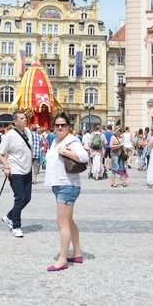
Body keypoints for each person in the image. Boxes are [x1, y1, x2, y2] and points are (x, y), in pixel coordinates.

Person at [44, 112, 88, 271]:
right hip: (59, 185)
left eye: (63, 125)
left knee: (61, 222)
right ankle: (77, 253)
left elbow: (84, 157)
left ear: (69, 127)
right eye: (57, 125)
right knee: (68, 221)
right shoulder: (55, 141)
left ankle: (63, 259)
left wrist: (65, 152)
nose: (60, 127)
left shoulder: (72, 141)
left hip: (67, 185)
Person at [0, 110, 33, 238]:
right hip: (15, 170)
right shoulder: (9, 135)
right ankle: (16, 226)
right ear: (15, 121)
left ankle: (9, 216)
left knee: (27, 198)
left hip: (27, 169)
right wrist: (6, 166)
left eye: (25, 118)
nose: (25, 119)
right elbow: (0, 153)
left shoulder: (28, 131)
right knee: (20, 198)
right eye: (22, 118)